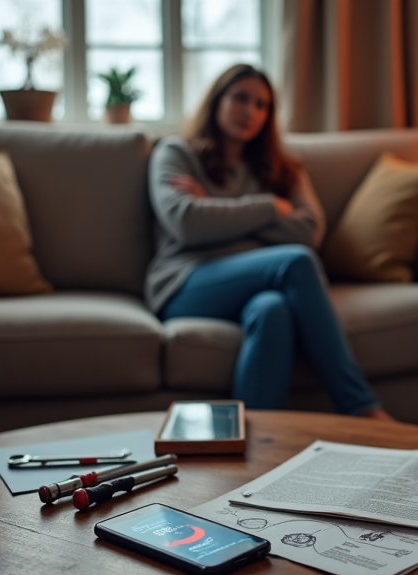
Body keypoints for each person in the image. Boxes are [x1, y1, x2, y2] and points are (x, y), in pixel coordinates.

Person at [145, 64, 391, 420]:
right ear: (217, 100)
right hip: (185, 283)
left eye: (262, 105)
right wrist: (272, 208)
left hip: (255, 285)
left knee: (273, 308)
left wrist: (215, 212)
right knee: (294, 262)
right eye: (241, 98)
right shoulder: (176, 153)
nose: (250, 111)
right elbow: (186, 224)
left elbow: (309, 230)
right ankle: (360, 407)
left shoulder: (284, 167)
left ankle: (257, 442)